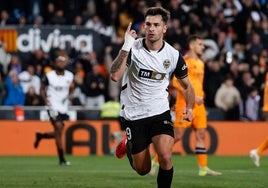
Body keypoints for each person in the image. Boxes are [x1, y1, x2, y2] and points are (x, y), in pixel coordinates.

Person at [110, 7, 195, 188]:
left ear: (164, 28)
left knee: (165, 156)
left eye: (156, 25)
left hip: (159, 112)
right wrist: (126, 45)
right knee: (143, 170)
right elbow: (115, 75)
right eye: (148, 24)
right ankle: (128, 144)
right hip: (134, 115)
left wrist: (190, 107)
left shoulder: (173, 55)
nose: (151, 28)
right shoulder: (133, 47)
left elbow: (187, 85)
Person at [152, 35, 222, 176]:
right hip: (185, 104)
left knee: (201, 135)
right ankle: (155, 162)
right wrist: (193, 96)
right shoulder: (185, 61)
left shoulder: (201, 63)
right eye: (200, 44)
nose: (203, 47)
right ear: (192, 46)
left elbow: (197, 83)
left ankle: (203, 169)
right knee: (177, 136)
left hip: (199, 106)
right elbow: (176, 82)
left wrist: (200, 95)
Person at [34, 55, 74, 166]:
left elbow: (71, 87)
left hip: (64, 107)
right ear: (55, 63)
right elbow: (41, 88)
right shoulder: (49, 76)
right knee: (59, 127)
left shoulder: (70, 76)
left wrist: (70, 95)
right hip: (52, 105)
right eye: (58, 62)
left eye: (63, 62)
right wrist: (45, 99)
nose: (60, 64)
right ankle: (62, 158)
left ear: (66, 64)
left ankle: (41, 136)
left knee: (58, 132)